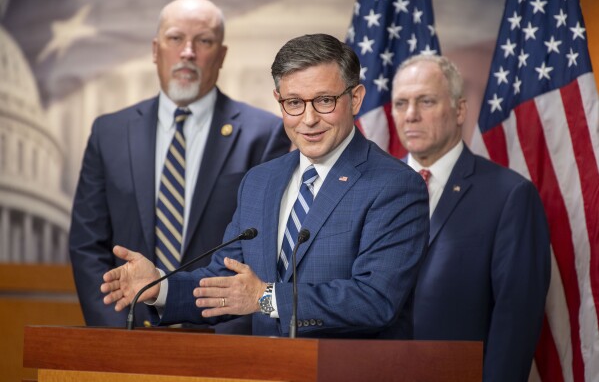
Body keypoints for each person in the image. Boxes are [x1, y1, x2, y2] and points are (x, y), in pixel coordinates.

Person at [100, 33, 429, 338]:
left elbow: (375, 300)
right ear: (279, 100)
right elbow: (229, 282)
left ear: (355, 99)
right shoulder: (261, 181)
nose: (309, 118)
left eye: (325, 101)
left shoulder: (395, 186)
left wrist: (267, 298)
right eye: (294, 103)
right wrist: (159, 288)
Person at [69, 0, 290, 332]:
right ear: (156, 50)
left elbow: (261, 250)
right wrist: (115, 331)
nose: (188, 52)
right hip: (128, 334)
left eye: (203, 41)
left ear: (221, 55)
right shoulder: (109, 132)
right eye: (176, 39)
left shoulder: (266, 134)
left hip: (222, 339)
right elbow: (88, 244)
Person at [391, 54, 551, 381]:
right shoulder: (369, 191)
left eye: (426, 101)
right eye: (401, 103)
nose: (410, 115)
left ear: (460, 110)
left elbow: (515, 322)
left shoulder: (510, 196)